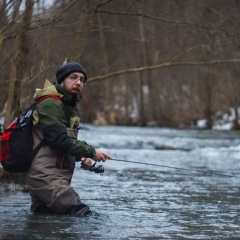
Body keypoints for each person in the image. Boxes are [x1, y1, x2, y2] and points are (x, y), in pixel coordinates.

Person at [26, 62, 112, 216]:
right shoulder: (51, 103)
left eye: (82, 80)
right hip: (46, 178)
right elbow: (58, 140)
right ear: (61, 81)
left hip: (53, 178)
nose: (78, 82)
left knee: (44, 224)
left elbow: (56, 143)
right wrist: (91, 151)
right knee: (82, 214)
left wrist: (81, 156)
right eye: (73, 77)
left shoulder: (67, 106)